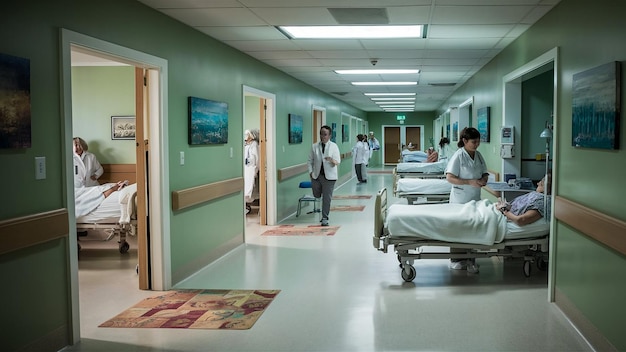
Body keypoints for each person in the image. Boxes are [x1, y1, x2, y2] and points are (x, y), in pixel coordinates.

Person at [445, 127, 489, 273]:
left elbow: (485, 173)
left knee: (473, 227)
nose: (476, 144)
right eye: (473, 142)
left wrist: (483, 179)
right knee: (458, 227)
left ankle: (471, 259)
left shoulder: (479, 155)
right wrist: (469, 182)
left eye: (478, 142)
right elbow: (449, 177)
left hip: (475, 198)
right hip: (460, 199)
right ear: (464, 141)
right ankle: (456, 259)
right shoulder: (459, 156)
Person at [308, 125, 341, 226]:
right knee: (316, 194)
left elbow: (338, 161)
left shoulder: (334, 146)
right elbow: (310, 161)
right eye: (321, 134)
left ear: (329, 135)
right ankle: (323, 214)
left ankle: (325, 218)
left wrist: (332, 160)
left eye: (325, 134)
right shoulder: (314, 146)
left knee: (327, 198)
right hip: (317, 176)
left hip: (329, 177)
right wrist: (310, 172)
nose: (323, 136)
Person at [243, 129, 260, 214]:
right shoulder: (246, 145)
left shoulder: (254, 144)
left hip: (251, 168)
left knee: (249, 188)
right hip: (245, 168)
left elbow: (257, 159)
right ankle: (244, 205)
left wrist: (256, 170)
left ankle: (246, 206)